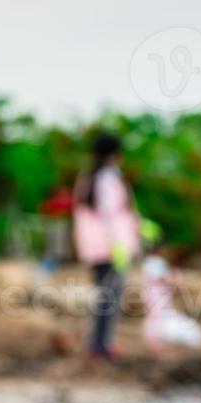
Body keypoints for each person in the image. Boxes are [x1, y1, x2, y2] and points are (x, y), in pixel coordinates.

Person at [72, 133, 139, 360]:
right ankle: (101, 344)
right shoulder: (108, 178)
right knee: (110, 297)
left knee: (104, 296)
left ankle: (98, 343)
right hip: (110, 247)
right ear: (115, 154)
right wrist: (118, 245)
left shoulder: (87, 177)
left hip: (93, 247)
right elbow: (109, 214)